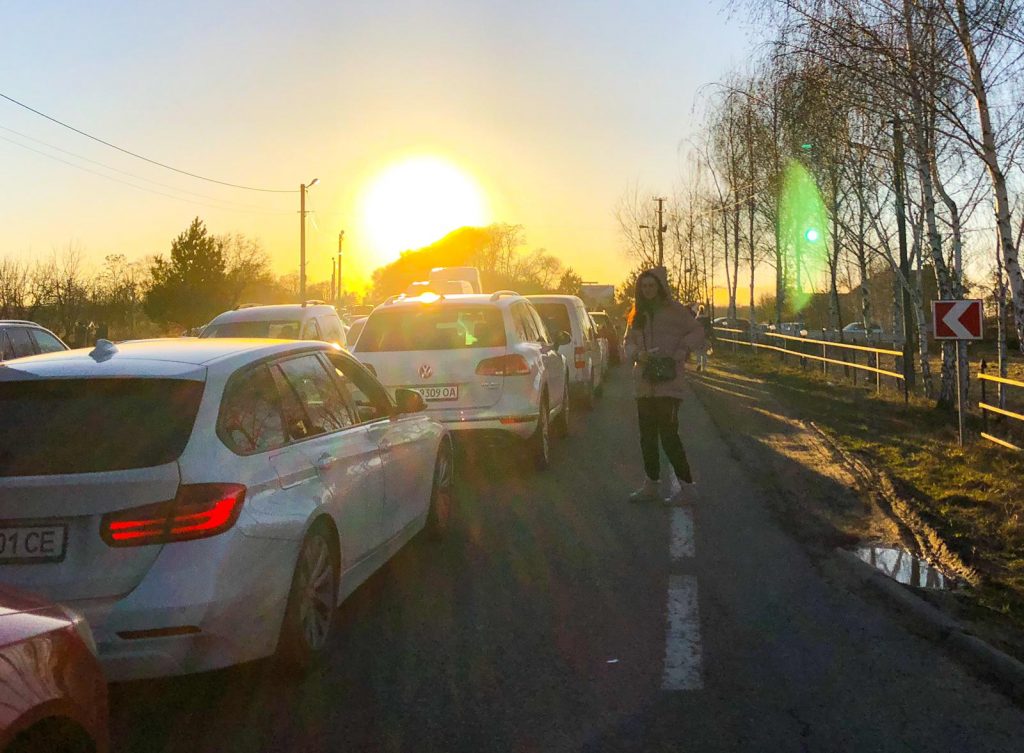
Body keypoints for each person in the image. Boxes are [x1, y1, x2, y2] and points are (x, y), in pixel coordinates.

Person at [622, 269, 706, 505]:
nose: (648, 290)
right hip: (644, 381)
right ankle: (651, 484)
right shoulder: (636, 314)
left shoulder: (675, 311)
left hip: (669, 382)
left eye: (652, 286)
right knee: (647, 436)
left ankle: (688, 488)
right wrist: (639, 354)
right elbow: (627, 343)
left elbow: (697, 330)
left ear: (660, 287)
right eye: (644, 287)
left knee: (668, 435)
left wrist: (682, 350)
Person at [694, 304, 713, 372]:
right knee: (704, 353)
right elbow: (710, 328)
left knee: (698, 352)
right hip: (706, 337)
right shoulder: (707, 319)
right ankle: (704, 367)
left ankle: (698, 363)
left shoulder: (696, 319)